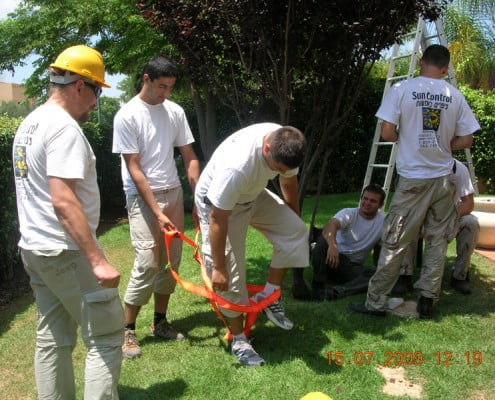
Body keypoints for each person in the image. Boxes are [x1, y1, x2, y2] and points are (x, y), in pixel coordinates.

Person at [13, 45, 124, 399]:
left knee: (52, 339)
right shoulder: (64, 129)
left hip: (35, 248)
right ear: (80, 86)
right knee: (105, 337)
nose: (96, 102)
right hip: (66, 251)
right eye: (96, 92)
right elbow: (63, 200)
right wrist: (97, 260)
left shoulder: (30, 123)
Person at [349, 44, 480, 319]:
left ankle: (374, 303)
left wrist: (405, 137)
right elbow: (466, 139)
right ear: (445, 68)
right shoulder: (454, 96)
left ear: (421, 62)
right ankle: (427, 301)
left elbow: (387, 133)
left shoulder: (401, 90)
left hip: (413, 179)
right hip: (444, 180)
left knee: (395, 240)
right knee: (437, 241)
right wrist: (441, 144)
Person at [195, 123, 308, 367]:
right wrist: (219, 268)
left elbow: (289, 181)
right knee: (231, 280)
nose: (278, 172)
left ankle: (270, 297)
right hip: (220, 208)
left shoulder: (287, 143)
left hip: (252, 196)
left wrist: (292, 217)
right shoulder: (237, 166)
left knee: (296, 231)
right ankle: (239, 340)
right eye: (275, 168)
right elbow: (217, 218)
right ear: (266, 148)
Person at [112, 56, 200, 359]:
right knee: (148, 262)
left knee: (171, 262)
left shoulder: (174, 111)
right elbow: (135, 170)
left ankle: (160, 323)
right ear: (146, 78)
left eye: (171, 88)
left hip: (173, 191)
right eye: (162, 86)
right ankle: (128, 330)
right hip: (141, 196)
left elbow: (189, 155)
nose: (166, 94)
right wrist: (158, 213)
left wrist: (197, 197)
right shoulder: (127, 115)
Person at [393, 159, 479, 295]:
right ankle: (404, 275)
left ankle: (460, 276)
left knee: (471, 223)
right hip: (418, 212)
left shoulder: (459, 168)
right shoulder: (413, 164)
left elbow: (468, 204)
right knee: (404, 222)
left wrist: (449, 219)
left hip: (450, 212)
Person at [310, 184, 386, 301]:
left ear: (380, 205)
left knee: (379, 275)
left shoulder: (383, 221)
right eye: (365, 198)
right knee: (322, 241)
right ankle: (318, 286)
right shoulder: (348, 213)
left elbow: (382, 248)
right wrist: (332, 245)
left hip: (352, 268)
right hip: (331, 259)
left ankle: (337, 291)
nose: (367, 203)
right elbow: (330, 226)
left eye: (373, 201)